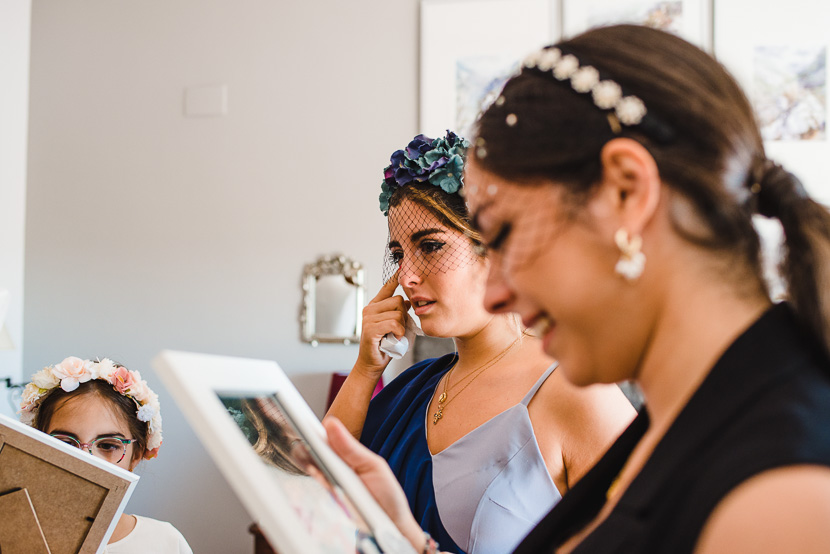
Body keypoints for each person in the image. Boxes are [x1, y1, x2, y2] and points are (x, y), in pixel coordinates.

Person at [324, 24, 830, 554]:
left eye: (510, 234)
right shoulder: (685, 418)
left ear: (625, 191)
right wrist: (409, 540)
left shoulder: (781, 492)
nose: (499, 295)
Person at [327, 131, 635, 553]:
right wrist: (365, 371)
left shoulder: (578, 392)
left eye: (431, 246)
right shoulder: (412, 389)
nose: (407, 275)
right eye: (399, 254)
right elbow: (316, 489)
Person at [19, 356, 193, 554]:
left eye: (108, 446)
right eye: (65, 443)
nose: (86, 461)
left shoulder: (165, 542)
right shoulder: (14, 535)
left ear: (136, 455)